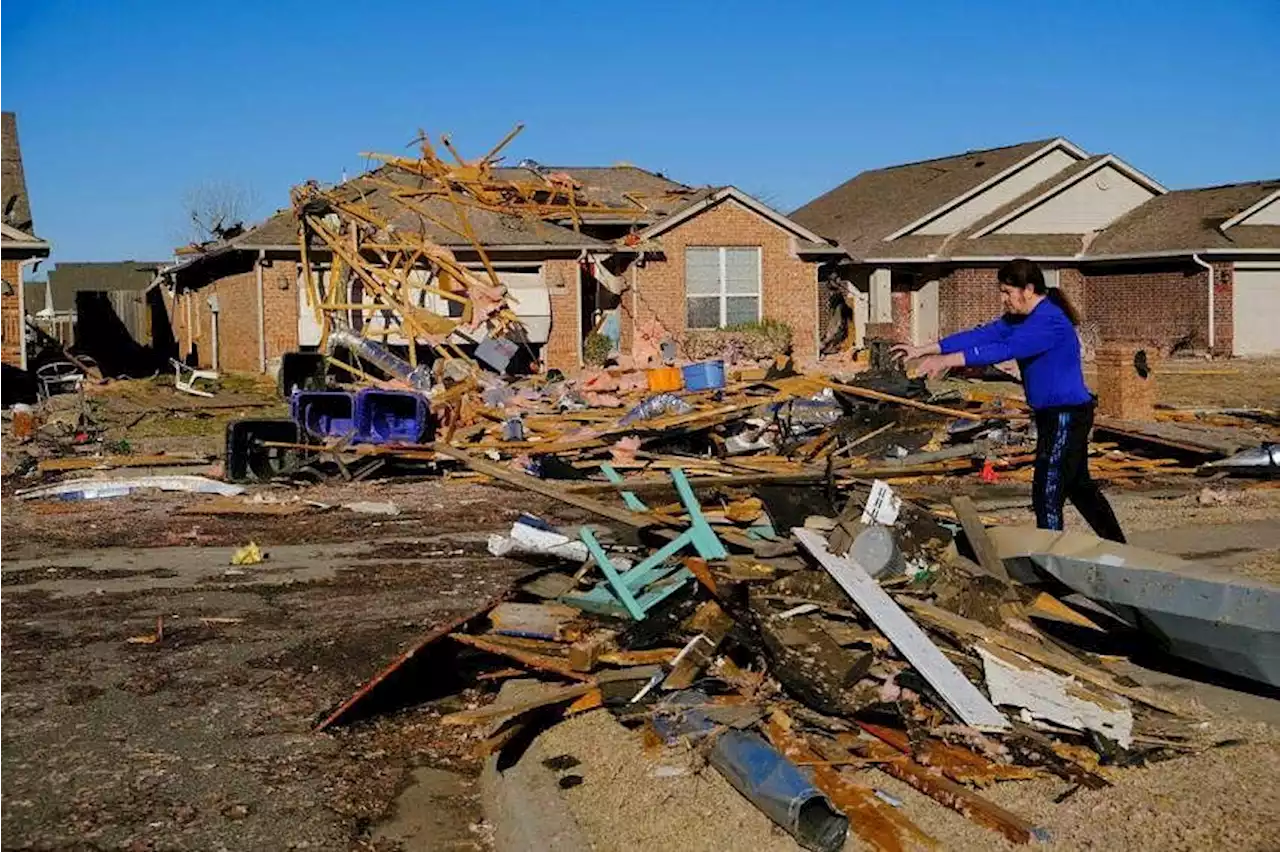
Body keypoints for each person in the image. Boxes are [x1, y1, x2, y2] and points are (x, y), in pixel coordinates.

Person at [891, 259, 1126, 543]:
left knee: (1048, 489)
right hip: (1052, 414)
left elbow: (1004, 349)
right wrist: (924, 349)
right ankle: (1118, 547)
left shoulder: (1049, 321)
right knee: (1079, 486)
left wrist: (946, 360)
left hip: (1067, 414)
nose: (1003, 300)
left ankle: (1050, 558)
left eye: (1007, 292)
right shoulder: (1019, 320)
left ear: (1027, 289)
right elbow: (982, 335)